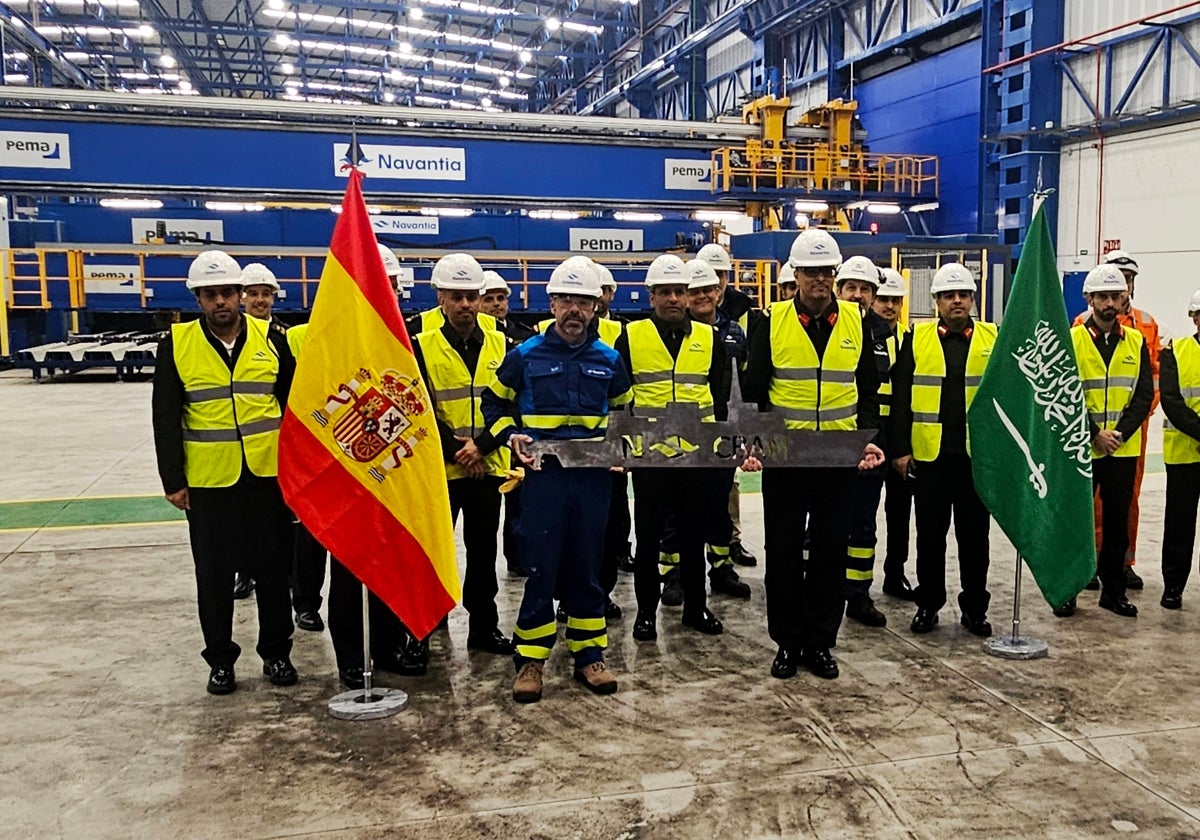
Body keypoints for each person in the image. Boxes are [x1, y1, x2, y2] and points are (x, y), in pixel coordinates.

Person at [481, 257, 632, 703]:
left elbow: (625, 413)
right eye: (566, 300)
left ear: (595, 308)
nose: (574, 310)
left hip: (593, 480)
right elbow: (493, 406)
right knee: (542, 566)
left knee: (588, 565)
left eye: (583, 302)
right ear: (551, 303)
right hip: (543, 479)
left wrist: (620, 451)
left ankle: (590, 655)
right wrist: (510, 436)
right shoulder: (524, 356)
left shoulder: (609, 358)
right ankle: (530, 659)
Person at [151, 250, 297, 695]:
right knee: (214, 578)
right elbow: (165, 415)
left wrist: (296, 474)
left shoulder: (272, 337)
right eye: (211, 294)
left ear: (240, 295)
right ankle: (220, 660)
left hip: (267, 478)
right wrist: (173, 480)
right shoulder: (176, 345)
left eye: (228, 293)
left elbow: (293, 408)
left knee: (274, 574)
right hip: (209, 483)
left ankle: (277, 654)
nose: (221, 302)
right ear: (198, 299)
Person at [742, 229, 883, 681]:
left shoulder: (858, 322)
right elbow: (755, 388)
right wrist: (755, 440)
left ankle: (820, 642)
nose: (820, 279)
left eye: (827, 272)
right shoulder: (770, 320)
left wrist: (865, 439)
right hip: (785, 458)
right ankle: (786, 643)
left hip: (838, 458)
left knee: (829, 553)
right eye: (811, 272)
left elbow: (866, 389)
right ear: (795, 275)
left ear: (835, 276)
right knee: (781, 552)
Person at [614, 254, 727, 643]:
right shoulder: (631, 336)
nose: (675, 299)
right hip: (651, 458)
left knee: (694, 538)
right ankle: (646, 613)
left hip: (697, 457)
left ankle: (696, 607)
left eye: (680, 292)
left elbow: (723, 398)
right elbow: (619, 400)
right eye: (666, 292)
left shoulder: (710, 338)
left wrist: (719, 449)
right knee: (648, 540)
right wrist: (624, 450)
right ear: (652, 296)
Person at [410, 253, 516, 656]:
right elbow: (415, 406)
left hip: (487, 465)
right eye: (457, 296)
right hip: (441, 467)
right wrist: (458, 451)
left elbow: (511, 403)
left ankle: (483, 627)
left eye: (472, 296)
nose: (466, 305)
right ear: (440, 297)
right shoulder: (421, 346)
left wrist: (482, 446)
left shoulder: (503, 344)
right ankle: (424, 627)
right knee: (432, 553)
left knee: (483, 551)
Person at [890, 263, 996, 637]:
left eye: (963, 295)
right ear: (936, 301)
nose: (957, 301)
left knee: (975, 540)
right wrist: (900, 450)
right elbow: (901, 398)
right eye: (949, 295)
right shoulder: (915, 339)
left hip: (975, 459)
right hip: (929, 459)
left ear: (972, 299)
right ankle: (928, 605)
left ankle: (975, 610)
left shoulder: (991, 338)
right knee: (930, 538)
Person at [1061, 263, 1153, 618]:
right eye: (1103, 297)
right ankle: (1068, 588)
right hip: (1081, 447)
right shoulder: (1072, 341)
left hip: (1121, 448)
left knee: (1117, 524)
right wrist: (1094, 434)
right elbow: (1064, 395)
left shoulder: (1136, 341)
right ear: (1089, 299)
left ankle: (1113, 592)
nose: (1110, 303)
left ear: (1125, 298)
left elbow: (1143, 394)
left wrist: (1120, 434)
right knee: (1076, 522)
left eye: (1116, 296)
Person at [681, 257, 751, 600]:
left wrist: (741, 430)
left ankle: (721, 569)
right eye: (695, 291)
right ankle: (676, 575)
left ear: (719, 292)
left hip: (722, 430)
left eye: (709, 289)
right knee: (676, 510)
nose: (703, 296)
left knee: (719, 504)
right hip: (684, 432)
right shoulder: (678, 332)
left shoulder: (734, 332)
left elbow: (743, 384)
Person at [834, 255, 891, 628]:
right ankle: (816, 589)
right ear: (838, 290)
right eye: (851, 288)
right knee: (820, 526)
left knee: (863, 527)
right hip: (827, 447)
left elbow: (881, 395)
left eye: (864, 289)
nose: (857, 295)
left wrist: (872, 441)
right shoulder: (825, 328)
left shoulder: (885, 335)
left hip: (868, 449)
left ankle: (858, 595)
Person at [698, 242, 759, 568]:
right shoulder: (684, 312)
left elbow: (749, 372)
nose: (716, 283)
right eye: (709, 275)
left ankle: (729, 545)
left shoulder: (743, 313)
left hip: (729, 413)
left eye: (721, 274)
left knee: (728, 484)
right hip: (695, 417)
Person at [231, 263, 286, 602]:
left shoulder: (283, 337)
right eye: (253, 293)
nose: (260, 300)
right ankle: (243, 573)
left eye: (266, 294)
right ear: (243, 297)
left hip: (271, 454)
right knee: (240, 525)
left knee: (274, 531)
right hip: (229, 456)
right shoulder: (232, 336)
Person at [873, 268, 915, 601]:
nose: (889, 306)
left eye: (895, 301)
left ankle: (895, 573)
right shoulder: (860, 336)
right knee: (861, 512)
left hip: (899, 436)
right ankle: (854, 582)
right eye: (884, 299)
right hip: (870, 435)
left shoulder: (910, 339)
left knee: (899, 513)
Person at [1160, 288, 1200, 610]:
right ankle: (1173, 586)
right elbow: (1172, 402)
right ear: (1194, 318)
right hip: (1183, 454)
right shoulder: (1175, 351)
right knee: (1179, 525)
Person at [481, 269, 536, 344]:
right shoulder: (470, 336)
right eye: (489, 299)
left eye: (500, 298)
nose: (496, 303)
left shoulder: (524, 335)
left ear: (507, 301)